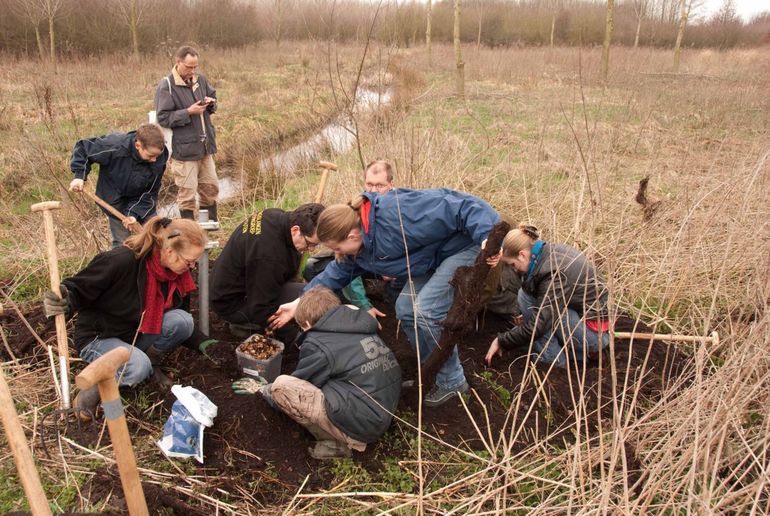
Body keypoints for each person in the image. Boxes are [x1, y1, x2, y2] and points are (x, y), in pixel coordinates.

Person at [269, 189, 501, 407]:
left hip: (466, 245)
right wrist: (298, 302)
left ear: (351, 235)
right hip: (432, 257)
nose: (338, 254)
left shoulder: (396, 214)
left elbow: (459, 205)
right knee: (405, 309)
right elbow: (335, 273)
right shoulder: (358, 247)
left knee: (426, 309)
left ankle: (453, 382)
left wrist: (485, 235)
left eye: (337, 248)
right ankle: (432, 370)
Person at [42, 217, 215, 418]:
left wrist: (209, 345)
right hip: (100, 337)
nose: (193, 266)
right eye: (189, 261)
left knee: (182, 320)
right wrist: (64, 299)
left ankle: (150, 363)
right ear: (169, 251)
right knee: (138, 367)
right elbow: (78, 289)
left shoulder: (176, 276)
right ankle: (95, 387)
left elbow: (182, 321)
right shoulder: (121, 261)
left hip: (134, 334)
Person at [235, 286, 401, 459]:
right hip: (383, 410)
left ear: (306, 324)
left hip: (362, 426)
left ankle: (337, 443)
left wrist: (264, 390)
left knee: (282, 386)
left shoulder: (320, 345)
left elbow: (298, 385)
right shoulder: (359, 325)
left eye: (301, 328)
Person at [484, 224, 611, 368]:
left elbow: (538, 326)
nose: (514, 269)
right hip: (579, 320)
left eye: (512, 264)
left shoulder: (555, 273)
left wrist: (502, 341)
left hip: (593, 337)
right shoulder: (545, 253)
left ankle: (555, 361)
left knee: (533, 309)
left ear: (522, 255)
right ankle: (577, 354)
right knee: (527, 299)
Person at [210, 204, 325, 342]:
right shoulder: (268, 257)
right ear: (295, 230)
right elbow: (261, 308)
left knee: (303, 295)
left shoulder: (276, 216)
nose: (311, 250)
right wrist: (296, 336)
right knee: (307, 296)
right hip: (231, 304)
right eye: (310, 243)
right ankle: (244, 326)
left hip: (231, 285)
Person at [69, 124, 168, 248]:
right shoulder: (114, 146)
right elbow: (84, 148)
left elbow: (151, 190)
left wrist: (133, 213)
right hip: (115, 202)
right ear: (138, 145)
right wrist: (79, 176)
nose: (154, 160)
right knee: (124, 244)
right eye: (150, 156)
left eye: (157, 156)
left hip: (143, 202)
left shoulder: (159, 156)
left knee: (157, 239)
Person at [154, 45, 219, 221]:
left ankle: (210, 231)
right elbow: (163, 118)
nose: (193, 70)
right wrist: (188, 112)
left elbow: (213, 97)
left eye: (195, 66)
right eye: (189, 66)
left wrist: (211, 103)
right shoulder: (166, 86)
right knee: (187, 195)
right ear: (178, 62)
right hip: (184, 152)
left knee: (211, 189)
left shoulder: (200, 80)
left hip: (205, 148)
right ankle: (188, 236)